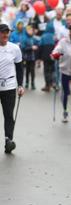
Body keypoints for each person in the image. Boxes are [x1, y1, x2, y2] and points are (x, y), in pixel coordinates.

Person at [0, 24, 25, 153]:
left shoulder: (15, 48)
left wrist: (20, 85)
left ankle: (8, 140)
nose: (5, 35)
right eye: (3, 32)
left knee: (8, 115)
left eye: (7, 32)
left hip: (9, 86)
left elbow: (20, 69)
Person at [21, 25, 39, 90]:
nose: (31, 31)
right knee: (27, 71)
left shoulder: (33, 38)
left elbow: (38, 43)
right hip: (26, 57)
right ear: (27, 31)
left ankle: (33, 83)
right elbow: (23, 47)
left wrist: (37, 45)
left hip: (33, 57)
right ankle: (27, 82)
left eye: (31, 30)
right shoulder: (24, 38)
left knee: (32, 71)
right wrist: (31, 48)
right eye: (29, 30)